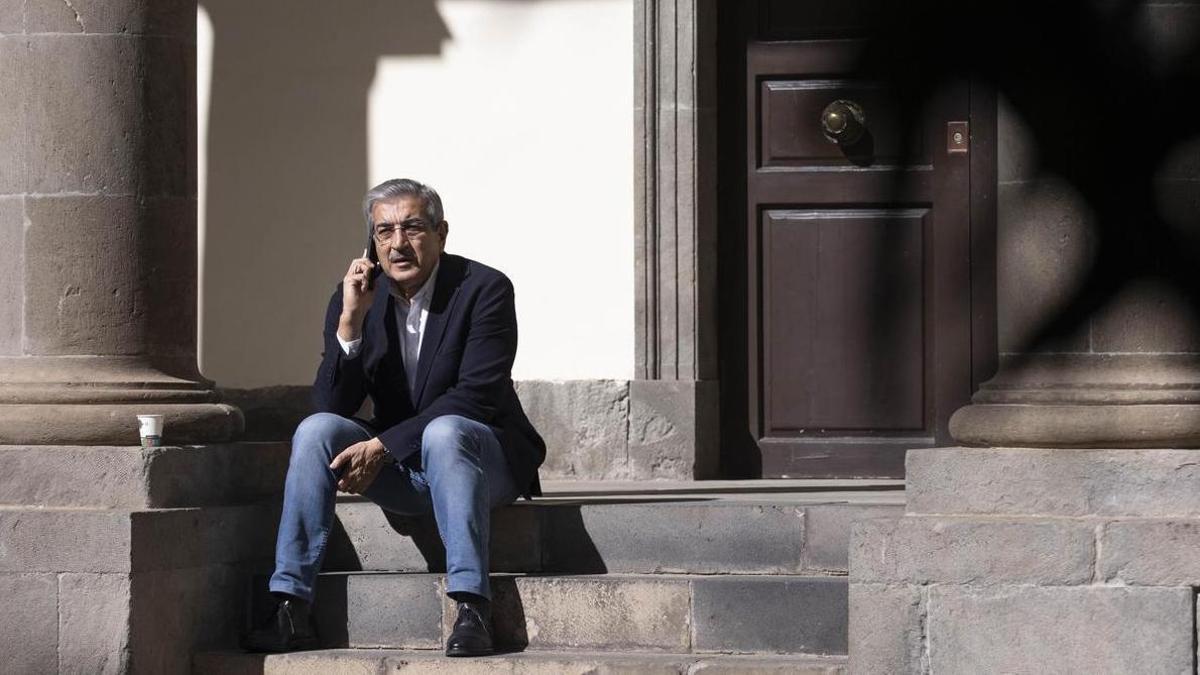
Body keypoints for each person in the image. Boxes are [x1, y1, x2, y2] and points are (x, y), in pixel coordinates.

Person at [243, 178, 545, 656]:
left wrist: (381, 447)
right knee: (314, 430)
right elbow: (330, 407)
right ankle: (289, 604)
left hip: (483, 460)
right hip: (407, 468)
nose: (397, 244)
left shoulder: (484, 289)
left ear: (441, 233)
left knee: (446, 431)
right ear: (371, 241)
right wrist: (350, 324)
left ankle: (472, 606)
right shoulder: (359, 297)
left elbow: (475, 397)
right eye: (384, 232)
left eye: (412, 228)